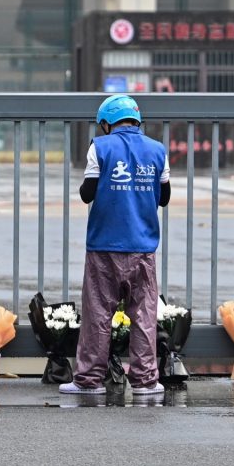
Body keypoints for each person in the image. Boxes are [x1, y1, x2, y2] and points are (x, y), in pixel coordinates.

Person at [60, 94, 171, 396]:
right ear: (136, 121)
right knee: (144, 315)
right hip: (143, 246)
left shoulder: (100, 146)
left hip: (104, 245)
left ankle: (89, 381)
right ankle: (146, 381)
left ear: (107, 124)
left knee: (98, 312)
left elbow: (87, 193)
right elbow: (164, 197)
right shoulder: (157, 151)